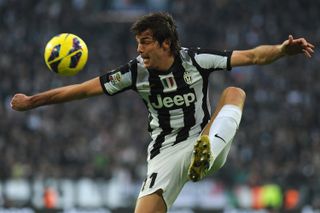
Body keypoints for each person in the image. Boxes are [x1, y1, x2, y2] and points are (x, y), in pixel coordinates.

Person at [10, 12, 314, 213]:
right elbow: (83, 90)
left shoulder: (196, 59)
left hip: (206, 136)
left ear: (165, 43)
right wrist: (34, 101)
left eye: (145, 42)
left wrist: (281, 50)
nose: (139, 50)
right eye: (137, 43)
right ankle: (203, 149)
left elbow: (252, 56)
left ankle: (204, 147)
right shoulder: (135, 72)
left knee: (235, 93)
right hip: (165, 152)